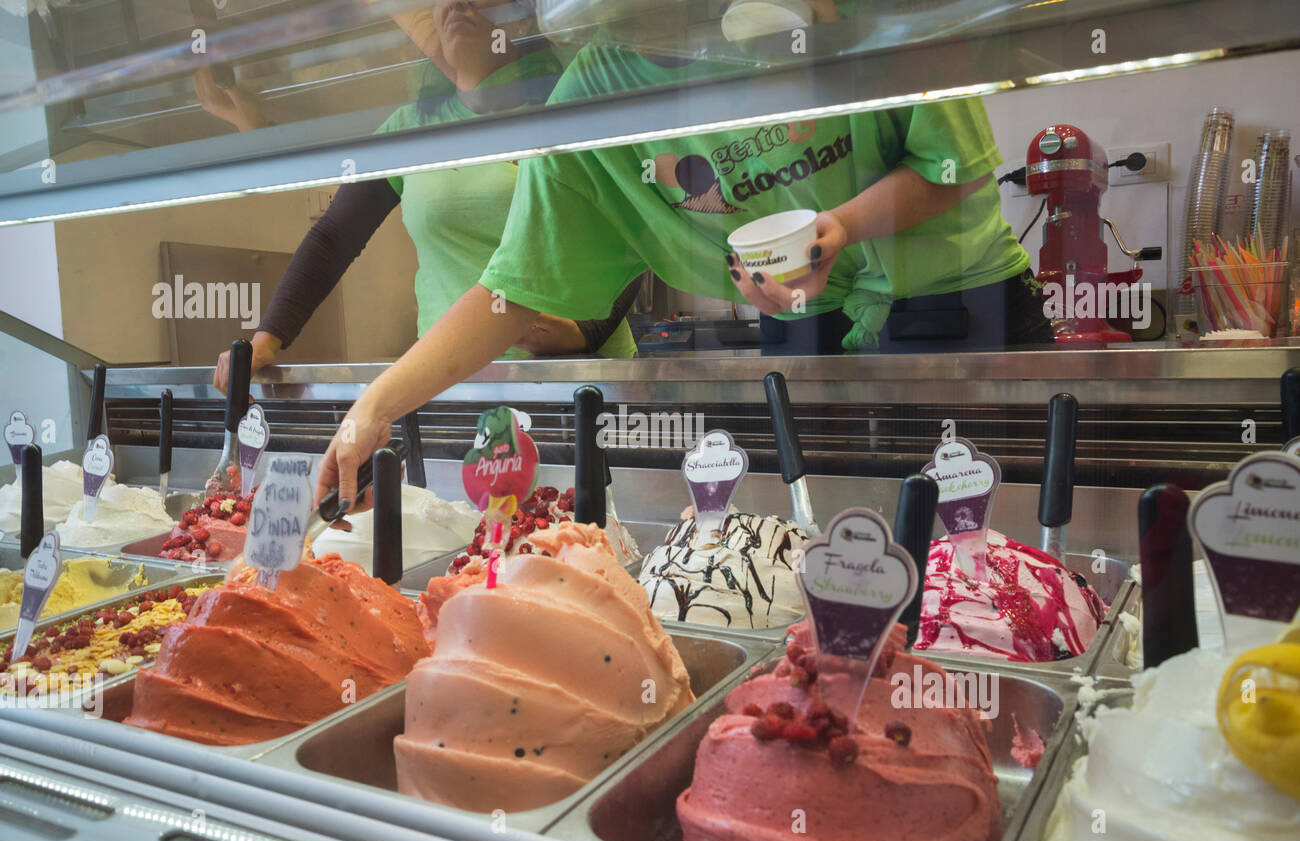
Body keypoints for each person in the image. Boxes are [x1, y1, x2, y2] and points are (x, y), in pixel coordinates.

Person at [314, 4, 1048, 507]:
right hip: (801, 327)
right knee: (835, 548)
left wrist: (841, 227)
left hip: (959, 307)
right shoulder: (596, 97)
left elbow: (954, 167)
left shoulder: (819, 14)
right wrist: (376, 403)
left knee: (985, 553)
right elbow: (513, 289)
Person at [206, 0, 637, 394]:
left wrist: (584, 331)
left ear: (523, 16)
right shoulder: (412, 130)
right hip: (453, 378)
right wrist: (266, 339)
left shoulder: (567, 108)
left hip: (575, 377)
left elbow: (635, 229)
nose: (457, 3)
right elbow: (334, 236)